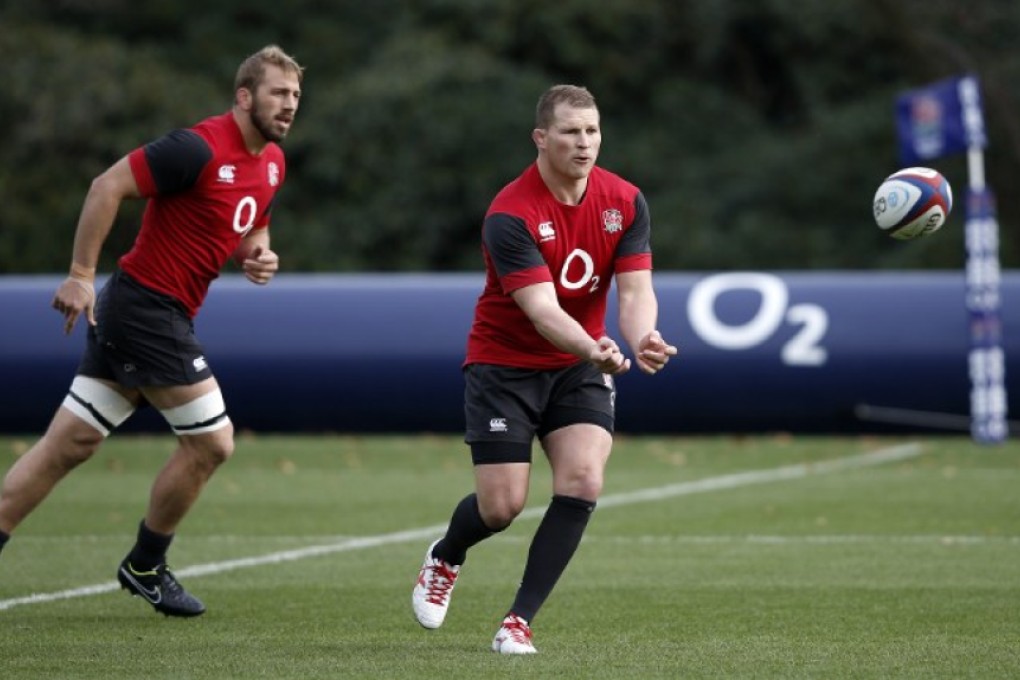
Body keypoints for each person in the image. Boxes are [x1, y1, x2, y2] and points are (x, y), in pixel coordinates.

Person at [0, 45, 303, 617]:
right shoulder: (196, 147)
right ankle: (145, 565)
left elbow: (251, 222)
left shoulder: (273, 163)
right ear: (244, 97)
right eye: (277, 94)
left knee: (69, 445)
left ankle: (138, 564)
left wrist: (258, 256)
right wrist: (80, 276)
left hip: (154, 313)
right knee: (213, 442)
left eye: (294, 97)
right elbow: (105, 186)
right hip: (146, 310)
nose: (288, 106)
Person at [412, 84, 677, 654]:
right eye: (570, 132)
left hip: (578, 364)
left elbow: (634, 291)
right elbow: (541, 311)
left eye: (592, 131)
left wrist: (643, 336)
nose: (585, 144)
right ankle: (446, 556)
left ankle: (518, 623)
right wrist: (595, 348)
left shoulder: (625, 201)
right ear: (541, 138)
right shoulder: (510, 214)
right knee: (501, 507)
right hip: (504, 365)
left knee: (583, 479)